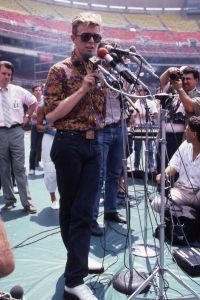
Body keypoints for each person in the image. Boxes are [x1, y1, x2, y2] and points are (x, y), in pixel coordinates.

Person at [44, 12, 106, 300]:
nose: (92, 41)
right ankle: (74, 278)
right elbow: (52, 115)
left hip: (95, 144)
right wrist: (82, 89)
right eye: (86, 36)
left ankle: (76, 263)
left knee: (83, 210)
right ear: (73, 38)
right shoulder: (59, 70)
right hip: (68, 144)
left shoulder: (101, 69)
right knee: (73, 211)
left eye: (96, 36)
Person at [0, 60, 37, 213]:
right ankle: (9, 200)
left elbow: (34, 102)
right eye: (3, 73)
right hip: (0, 132)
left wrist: (27, 116)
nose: (6, 76)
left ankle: (27, 202)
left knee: (20, 168)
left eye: (9, 74)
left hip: (16, 131)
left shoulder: (18, 90)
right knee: (3, 168)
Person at [155, 116, 200, 210]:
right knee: (157, 203)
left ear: (194, 134)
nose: (184, 131)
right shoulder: (185, 145)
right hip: (181, 191)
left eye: (187, 129)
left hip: (198, 193)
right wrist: (164, 174)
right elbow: (174, 165)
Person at [36, 104, 59, 209]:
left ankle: (67, 198)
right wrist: (46, 127)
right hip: (49, 139)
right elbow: (38, 126)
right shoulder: (42, 107)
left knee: (69, 169)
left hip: (67, 137)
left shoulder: (69, 100)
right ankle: (53, 197)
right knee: (50, 170)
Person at [131, 86, 158, 172]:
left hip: (148, 126)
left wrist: (145, 115)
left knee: (149, 149)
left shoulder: (151, 103)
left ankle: (151, 168)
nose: (139, 92)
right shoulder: (135, 104)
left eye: (141, 90)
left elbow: (155, 116)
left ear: (146, 92)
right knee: (137, 149)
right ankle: (136, 167)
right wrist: (133, 120)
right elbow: (132, 116)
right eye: (138, 90)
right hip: (138, 127)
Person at [29, 85, 44, 175]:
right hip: (34, 127)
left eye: (39, 90)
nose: (38, 91)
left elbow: (45, 114)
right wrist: (41, 115)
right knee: (33, 148)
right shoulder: (31, 101)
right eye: (36, 90)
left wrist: (37, 115)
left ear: (42, 91)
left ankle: (39, 162)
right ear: (33, 92)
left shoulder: (45, 100)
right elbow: (31, 114)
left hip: (43, 127)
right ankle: (32, 168)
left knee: (42, 147)